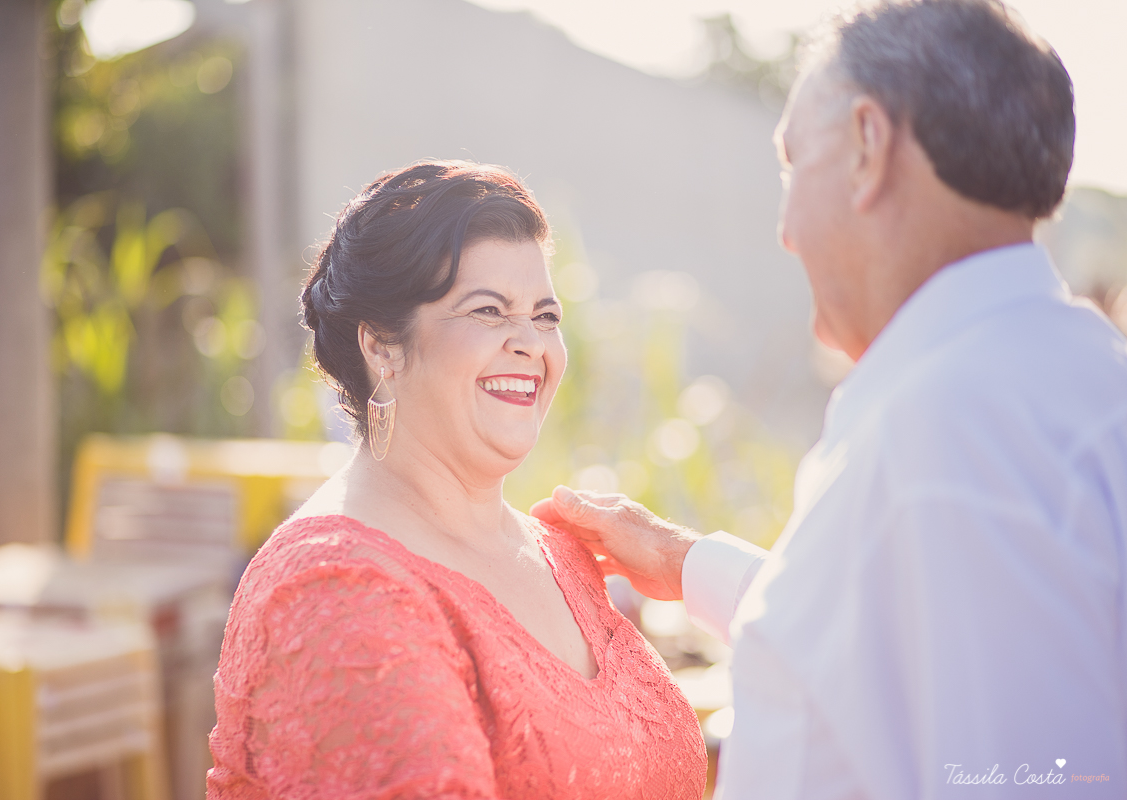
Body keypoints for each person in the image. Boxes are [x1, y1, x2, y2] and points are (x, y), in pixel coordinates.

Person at [533, 1, 1127, 798]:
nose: (784, 229)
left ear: (868, 146)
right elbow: (900, 642)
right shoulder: (1060, 384)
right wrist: (685, 562)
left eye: (792, 163)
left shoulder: (953, 437)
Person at [206, 162, 707, 799]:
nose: (530, 343)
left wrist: (689, 566)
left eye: (545, 316)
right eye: (488, 311)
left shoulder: (567, 557)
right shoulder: (333, 587)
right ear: (381, 346)